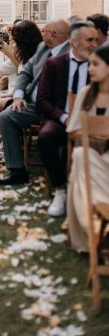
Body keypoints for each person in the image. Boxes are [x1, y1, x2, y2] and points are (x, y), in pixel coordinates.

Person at [0, 19, 70, 186]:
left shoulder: (69, 53)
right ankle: (17, 170)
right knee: (7, 117)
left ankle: (59, 182)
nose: (40, 33)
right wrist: (19, 95)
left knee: (48, 135)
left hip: (56, 107)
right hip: (33, 104)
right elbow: (26, 73)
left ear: (53, 34)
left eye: (43, 31)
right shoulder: (43, 48)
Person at [36, 21, 99, 216]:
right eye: (90, 40)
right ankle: (60, 189)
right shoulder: (55, 64)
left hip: (92, 122)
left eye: (96, 40)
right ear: (74, 42)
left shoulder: (99, 66)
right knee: (45, 137)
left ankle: (93, 192)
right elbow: (42, 100)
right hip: (60, 120)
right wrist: (64, 117)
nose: (94, 44)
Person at [66, 44, 109, 252]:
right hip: (89, 151)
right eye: (90, 64)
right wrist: (93, 136)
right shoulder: (85, 94)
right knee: (82, 156)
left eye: (95, 64)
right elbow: (73, 131)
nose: (90, 69)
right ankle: (91, 226)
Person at [0, 21, 42, 131]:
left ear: (23, 41)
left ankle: (2, 133)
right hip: (21, 94)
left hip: (28, 100)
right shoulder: (27, 53)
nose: (12, 43)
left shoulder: (32, 57)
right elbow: (17, 64)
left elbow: (8, 68)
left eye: (14, 41)